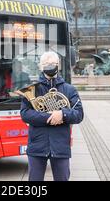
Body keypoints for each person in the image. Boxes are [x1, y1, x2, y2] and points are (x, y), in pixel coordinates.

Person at [20, 51, 84, 181]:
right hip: (37, 145)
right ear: (40, 66)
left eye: (53, 63)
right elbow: (25, 114)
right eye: (46, 63)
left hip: (60, 145)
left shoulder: (69, 89)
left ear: (58, 65)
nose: (50, 66)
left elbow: (79, 114)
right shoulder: (32, 89)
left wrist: (62, 114)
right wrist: (49, 117)